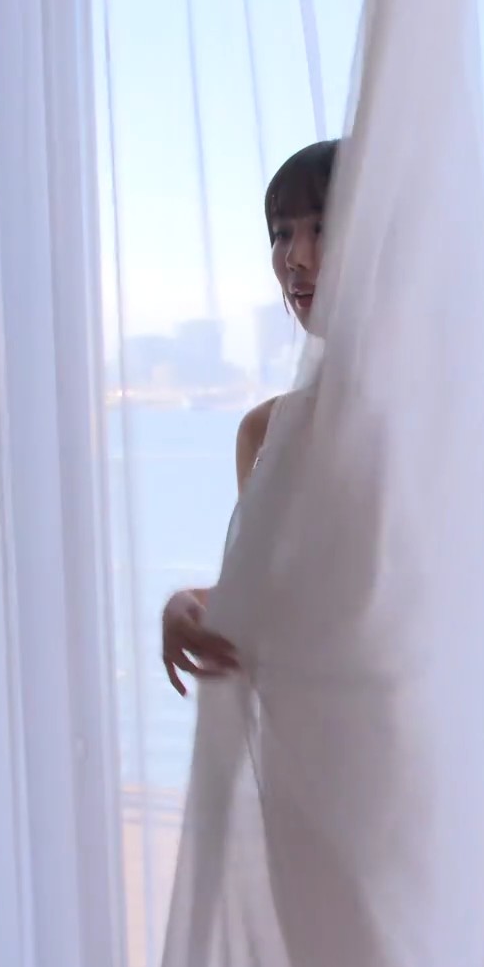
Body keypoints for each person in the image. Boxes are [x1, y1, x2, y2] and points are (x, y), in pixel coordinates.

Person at [158, 139, 336, 696]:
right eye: (281, 233)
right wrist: (189, 607)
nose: (295, 257)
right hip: (287, 726)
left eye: (322, 228)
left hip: (384, 730)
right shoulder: (261, 432)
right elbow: (267, 597)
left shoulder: (421, 427)